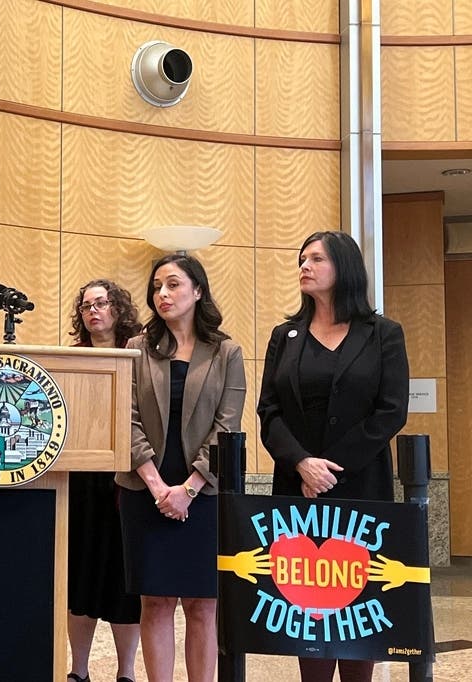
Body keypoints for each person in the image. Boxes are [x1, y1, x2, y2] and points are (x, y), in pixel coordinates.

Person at [257, 230, 409, 682]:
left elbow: (391, 411)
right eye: (302, 259)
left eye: (316, 259)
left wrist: (330, 469)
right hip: (298, 490)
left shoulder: (383, 334)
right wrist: (302, 463)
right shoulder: (285, 336)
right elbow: (269, 411)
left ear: (344, 267)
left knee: (358, 605)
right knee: (309, 606)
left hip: (362, 486)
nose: (304, 266)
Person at [116, 254, 245, 682]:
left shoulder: (226, 352)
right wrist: (157, 486)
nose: (162, 294)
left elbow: (228, 426)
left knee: (203, 603)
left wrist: (187, 489)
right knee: (155, 600)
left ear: (198, 291)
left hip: (204, 493)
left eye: (172, 285)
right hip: (144, 488)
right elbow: (126, 418)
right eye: (156, 287)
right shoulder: (137, 348)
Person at [66, 279, 143, 682]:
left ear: (118, 308)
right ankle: (78, 670)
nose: (93, 310)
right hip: (82, 483)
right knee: (80, 578)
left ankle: (126, 672)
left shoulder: (140, 354)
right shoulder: (70, 358)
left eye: (101, 302)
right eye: (85, 306)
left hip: (129, 480)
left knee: (123, 584)